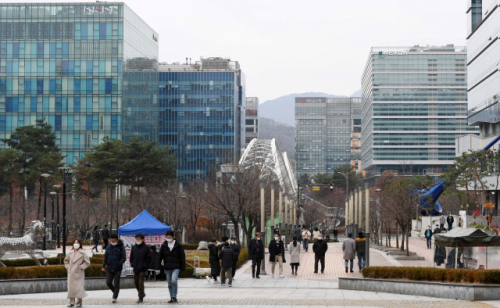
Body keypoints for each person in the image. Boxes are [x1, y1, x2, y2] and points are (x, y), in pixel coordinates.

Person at [157, 230, 186, 303]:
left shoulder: (178, 245)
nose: (168, 238)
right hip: (167, 266)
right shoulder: (164, 245)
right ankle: (172, 297)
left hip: (176, 266)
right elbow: (160, 256)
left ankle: (174, 295)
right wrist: (158, 265)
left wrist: (183, 266)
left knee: (174, 280)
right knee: (169, 283)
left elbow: (182, 256)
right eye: (167, 237)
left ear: (173, 237)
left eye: (169, 237)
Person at [64, 239, 91, 308]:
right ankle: (71, 302)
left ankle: (79, 302)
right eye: (75, 242)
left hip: (79, 273)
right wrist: (68, 267)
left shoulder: (83, 253)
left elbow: (87, 262)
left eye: (77, 242)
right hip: (71, 273)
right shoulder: (70, 253)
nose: (76, 244)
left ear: (80, 244)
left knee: (79, 287)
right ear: (73, 244)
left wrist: (81, 267)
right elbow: (66, 261)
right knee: (71, 288)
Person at [102, 234, 126, 303]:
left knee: (116, 283)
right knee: (108, 282)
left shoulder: (121, 247)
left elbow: (124, 257)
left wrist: (119, 263)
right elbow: (105, 257)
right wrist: (103, 266)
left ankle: (114, 296)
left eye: (114, 239)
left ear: (117, 239)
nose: (112, 240)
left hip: (117, 268)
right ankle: (115, 292)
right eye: (111, 239)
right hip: (109, 268)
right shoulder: (108, 247)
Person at [130, 233, 151, 304]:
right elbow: (131, 257)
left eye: (139, 239)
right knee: (136, 282)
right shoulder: (133, 247)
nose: (137, 240)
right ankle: (142, 293)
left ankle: (140, 297)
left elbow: (149, 258)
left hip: (142, 268)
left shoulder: (146, 247)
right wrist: (132, 264)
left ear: (142, 239)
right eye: (136, 239)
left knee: (140, 283)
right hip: (136, 267)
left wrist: (145, 265)